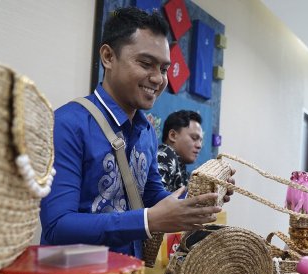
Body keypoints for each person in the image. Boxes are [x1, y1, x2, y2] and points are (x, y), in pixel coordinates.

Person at [40, 7, 229, 260]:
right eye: (146, 63)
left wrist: (203, 193)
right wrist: (148, 221)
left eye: (163, 69)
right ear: (108, 57)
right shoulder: (67, 124)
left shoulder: (147, 131)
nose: (158, 79)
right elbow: (57, 227)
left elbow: (154, 196)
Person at [157, 110, 203, 192]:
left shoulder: (182, 168)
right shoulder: (166, 154)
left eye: (200, 141)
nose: (199, 145)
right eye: (194, 138)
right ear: (173, 135)